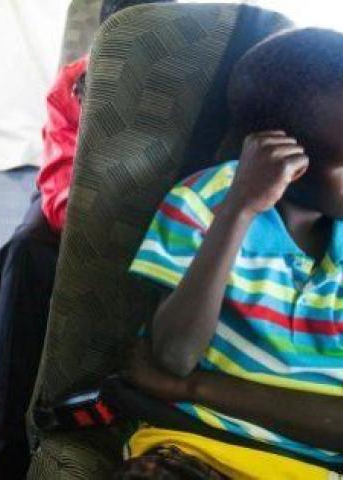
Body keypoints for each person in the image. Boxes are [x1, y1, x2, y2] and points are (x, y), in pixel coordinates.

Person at [121, 28, 343, 478]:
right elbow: (174, 356)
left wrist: (192, 387)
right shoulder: (203, 204)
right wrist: (239, 210)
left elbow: (173, 375)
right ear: (285, 159)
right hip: (196, 446)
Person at [0, 1, 173, 477]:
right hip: (87, 206)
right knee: (24, 255)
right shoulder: (74, 85)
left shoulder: (200, 88)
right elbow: (60, 188)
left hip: (170, 213)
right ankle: (9, 448)